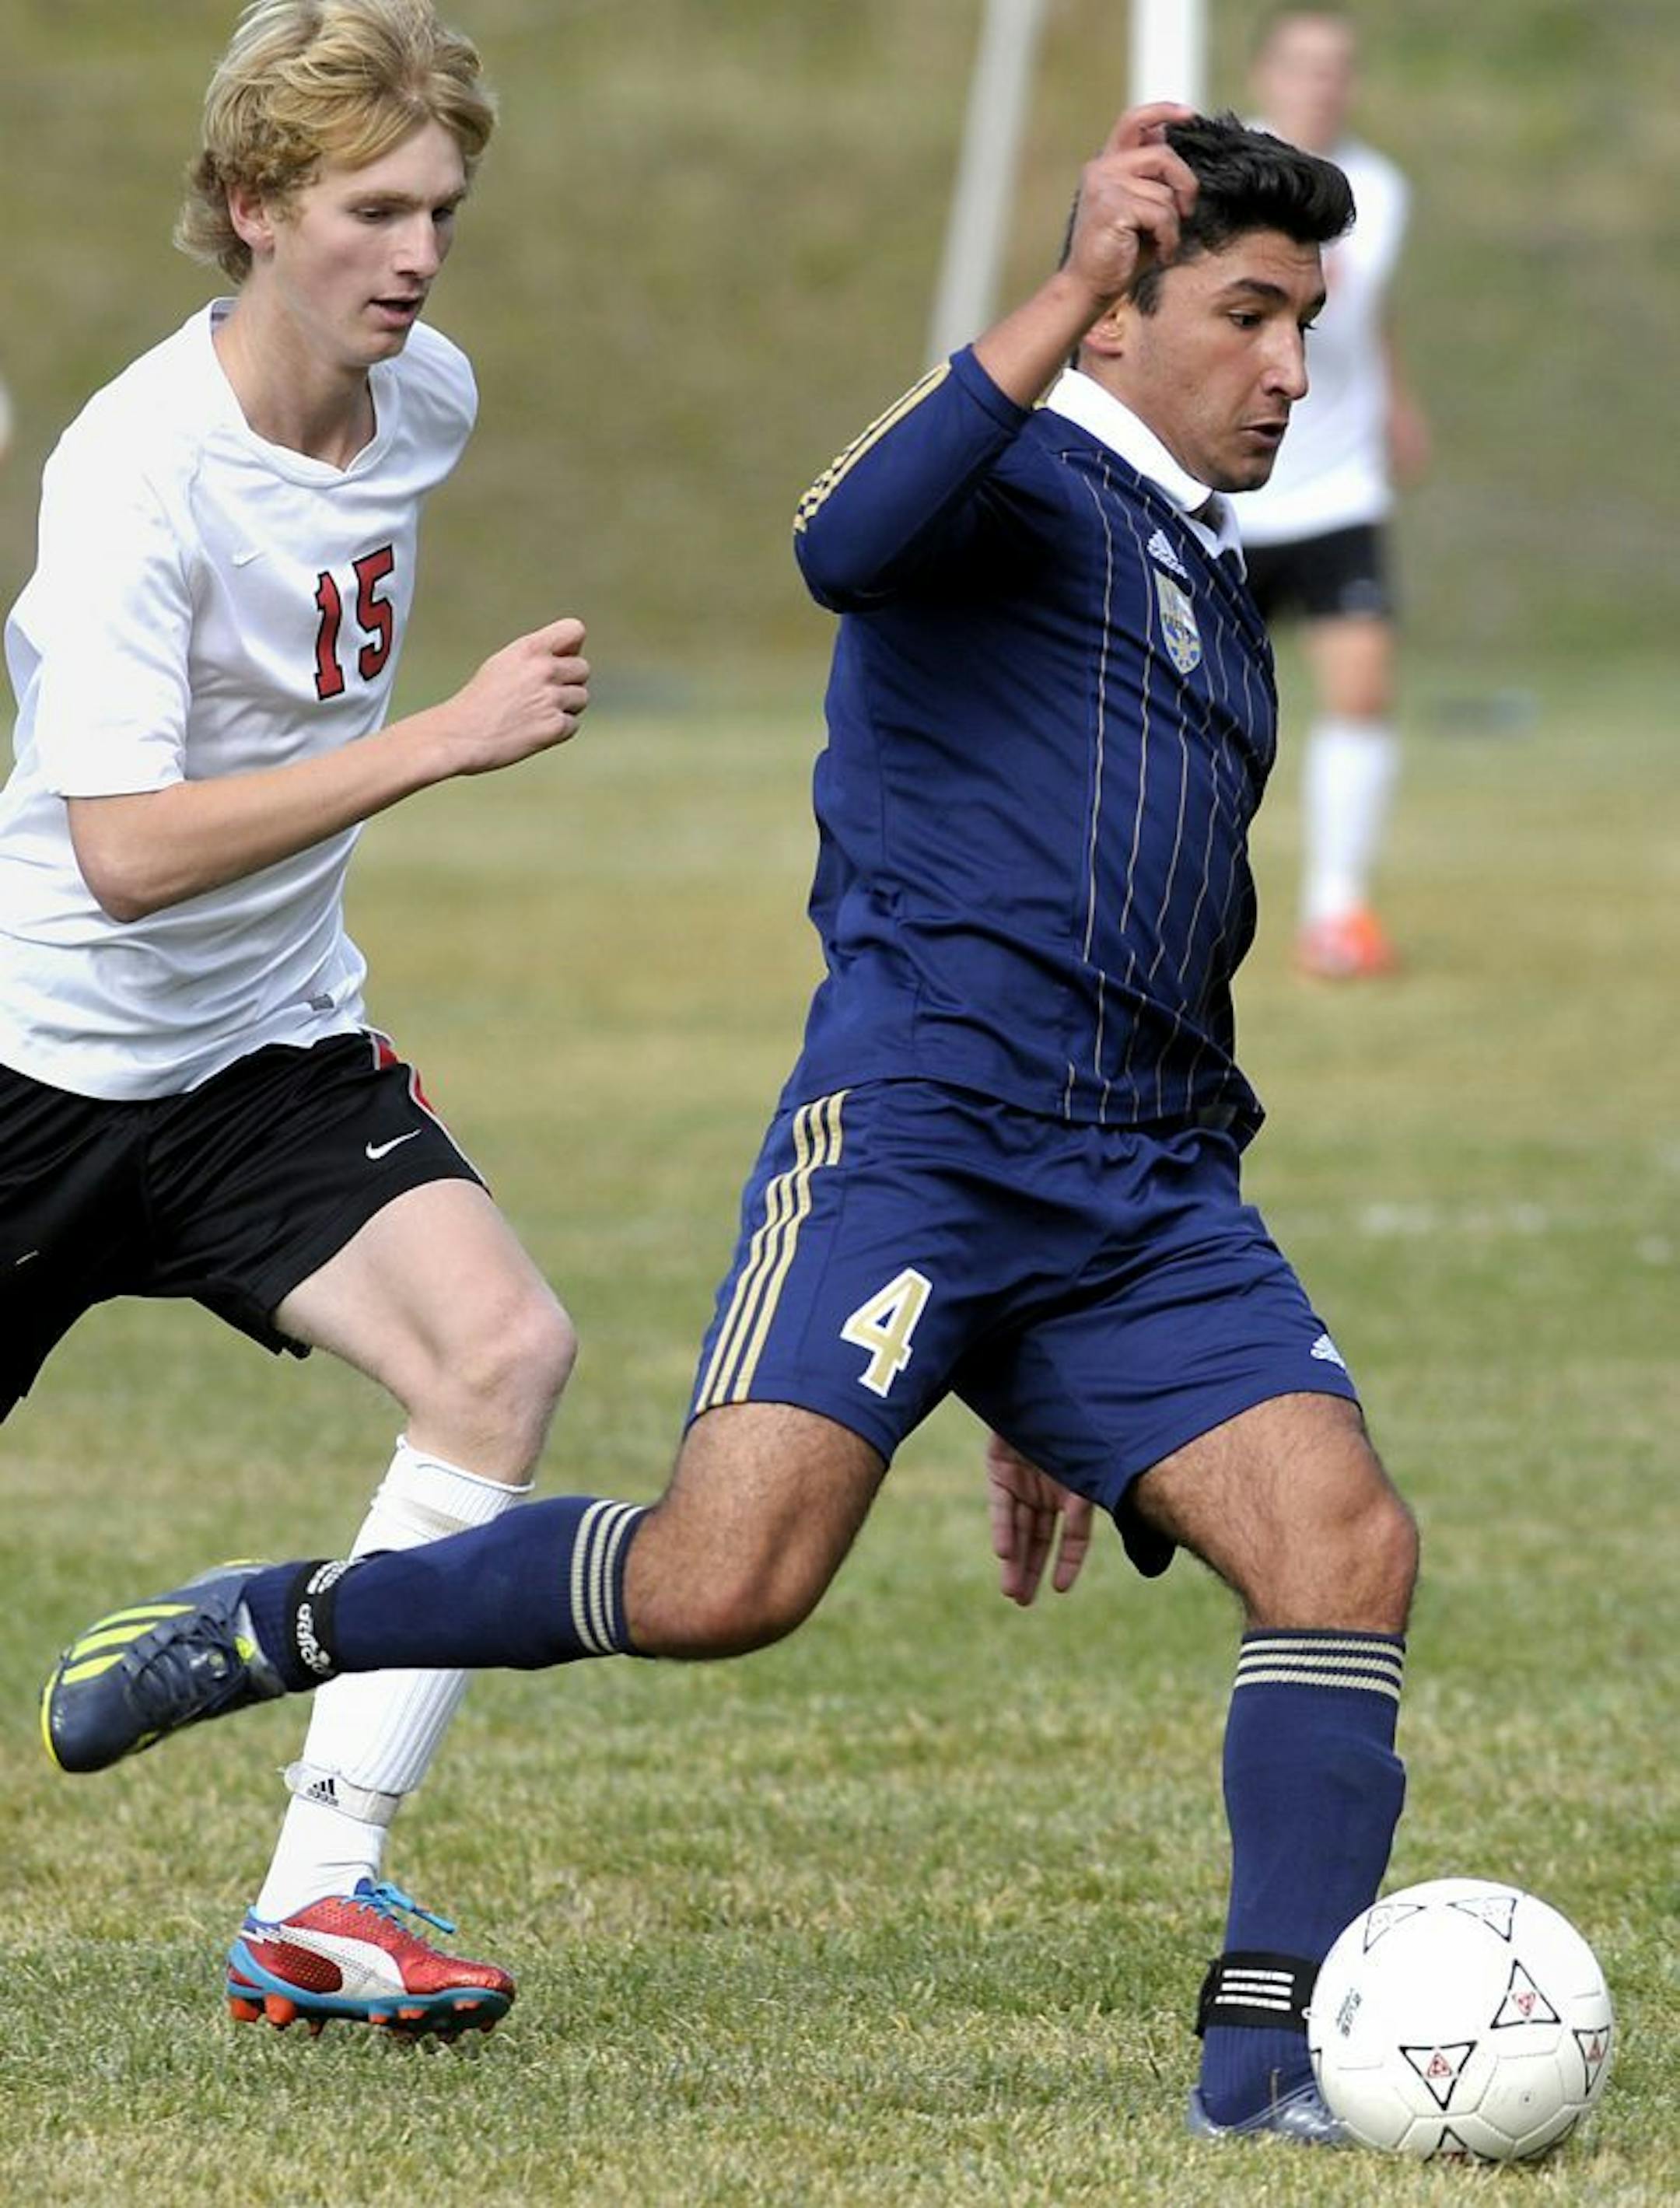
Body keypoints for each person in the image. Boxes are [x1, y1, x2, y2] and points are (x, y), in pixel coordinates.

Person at [44, 105, 1420, 2143]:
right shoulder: (1004, 480)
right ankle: (279, 1617)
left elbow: (1170, 950)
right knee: (721, 1579)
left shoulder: (1214, 601)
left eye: (1307, 320)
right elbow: (837, 535)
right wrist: (1047, 289)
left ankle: (1264, 2065)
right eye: (1246, 312)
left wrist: (1063, 1381)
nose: (1293, 369)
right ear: (1118, 317)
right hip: (918, 1147)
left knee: (1347, 1542)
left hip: (1141, 1190)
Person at [8, 0, 593, 2038]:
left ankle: (320, 1895)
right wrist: (435, 742)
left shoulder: (424, 400)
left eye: (442, 205)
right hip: (39, 1059)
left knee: (502, 1346)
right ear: (255, 209)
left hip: (262, 1056)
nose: (418, 251)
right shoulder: (134, 472)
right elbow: (125, 853)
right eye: (371, 208)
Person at [1237, 6, 1430, 978]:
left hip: (1342, 481)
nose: (1323, 82)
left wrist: (1399, 399)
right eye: (1305, 64)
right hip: (1231, 479)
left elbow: (1361, 314)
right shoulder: (1222, 173)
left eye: (1339, 66)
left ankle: (1337, 912)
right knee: (1201, 709)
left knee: (1362, 687)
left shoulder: (1382, 187)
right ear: (1265, 72)